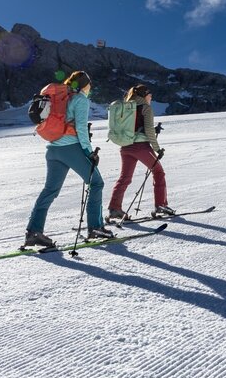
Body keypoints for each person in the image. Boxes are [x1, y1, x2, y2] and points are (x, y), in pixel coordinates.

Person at [25, 71, 114, 247]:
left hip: (53, 150)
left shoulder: (62, 97)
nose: (90, 87)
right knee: (96, 183)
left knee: (50, 190)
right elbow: (81, 128)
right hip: (70, 148)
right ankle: (95, 227)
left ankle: (33, 232)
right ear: (84, 85)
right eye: (89, 84)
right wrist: (89, 153)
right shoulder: (80, 99)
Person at [107, 85, 174, 220]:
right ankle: (161, 205)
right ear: (144, 95)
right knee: (159, 172)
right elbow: (148, 130)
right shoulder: (145, 108)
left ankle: (114, 208)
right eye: (150, 95)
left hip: (125, 147)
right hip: (140, 147)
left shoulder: (127, 107)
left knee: (125, 178)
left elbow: (135, 126)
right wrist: (157, 149)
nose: (151, 97)